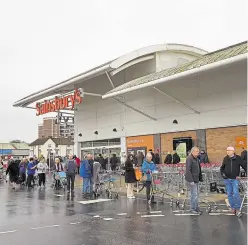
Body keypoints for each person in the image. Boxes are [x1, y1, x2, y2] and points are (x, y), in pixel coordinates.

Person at [220, 146, 247, 216]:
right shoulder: (225, 159)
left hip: (235, 179)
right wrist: (223, 175)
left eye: (229, 150)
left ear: (233, 151)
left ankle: (237, 208)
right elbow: (222, 168)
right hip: (227, 179)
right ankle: (233, 207)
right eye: (227, 150)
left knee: (236, 193)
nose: (227, 151)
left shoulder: (238, 158)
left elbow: (245, 166)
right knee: (229, 194)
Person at [185, 147, 203, 214]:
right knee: (194, 194)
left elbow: (199, 169)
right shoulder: (189, 158)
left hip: (196, 179)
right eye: (197, 151)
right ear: (193, 152)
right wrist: (191, 180)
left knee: (196, 194)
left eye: (198, 151)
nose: (198, 152)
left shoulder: (197, 159)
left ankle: (196, 207)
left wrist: (200, 178)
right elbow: (188, 170)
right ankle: (192, 209)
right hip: (191, 180)